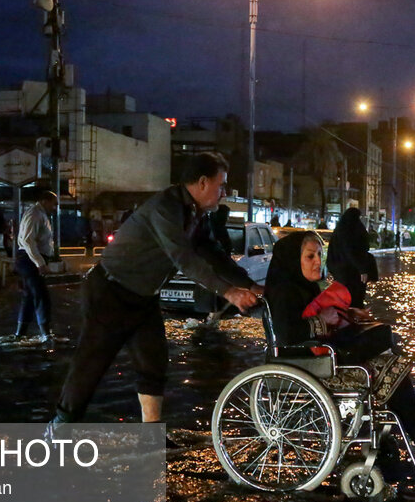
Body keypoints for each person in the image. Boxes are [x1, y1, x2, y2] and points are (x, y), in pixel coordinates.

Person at [49, 153, 262, 429]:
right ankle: (59, 426)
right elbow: (183, 258)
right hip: (110, 292)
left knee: (153, 362)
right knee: (91, 364)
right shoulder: (166, 207)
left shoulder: (196, 214)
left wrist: (249, 284)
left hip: (144, 296)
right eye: (221, 185)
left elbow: (213, 254)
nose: (224, 192)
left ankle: (151, 433)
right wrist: (229, 293)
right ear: (201, 183)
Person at [266, 230, 415, 472]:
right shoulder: (284, 291)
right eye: (310, 256)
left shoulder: (304, 287)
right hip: (311, 368)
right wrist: (323, 320)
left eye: (319, 256)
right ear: (293, 259)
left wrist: (346, 315)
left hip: (322, 360)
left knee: (390, 359)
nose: (317, 262)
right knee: (389, 368)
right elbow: (288, 334)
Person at [15, 190, 58, 341]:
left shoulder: (39, 214)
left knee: (29, 296)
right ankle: (46, 334)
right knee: (41, 296)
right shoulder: (35, 214)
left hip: (30, 259)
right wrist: (40, 263)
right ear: (45, 201)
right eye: (54, 204)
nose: (55, 208)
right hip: (30, 260)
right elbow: (28, 241)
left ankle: (20, 333)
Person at [327, 207, 377, 307]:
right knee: (354, 300)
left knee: (345, 300)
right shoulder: (351, 230)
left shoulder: (340, 230)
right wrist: (362, 269)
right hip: (353, 273)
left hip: (341, 273)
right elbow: (352, 251)